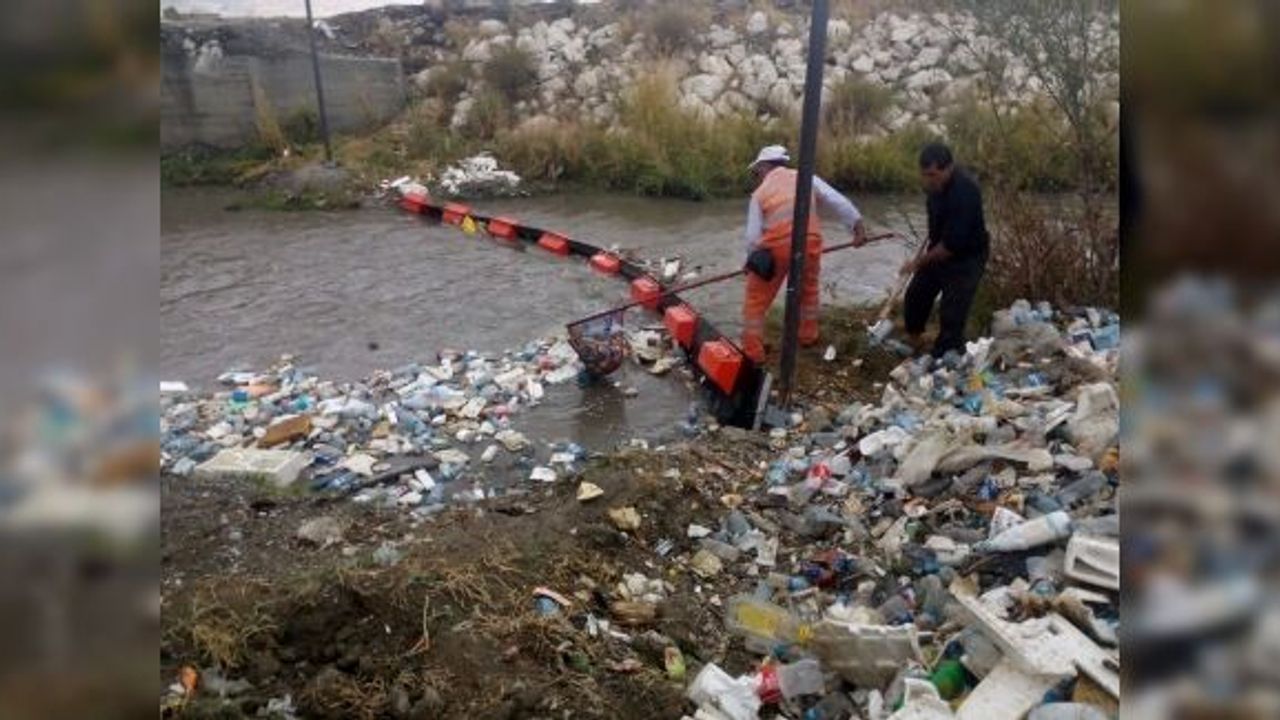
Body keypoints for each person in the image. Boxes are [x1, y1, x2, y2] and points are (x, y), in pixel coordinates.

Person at [741, 145, 867, 363]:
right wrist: (856, 225)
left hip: (775, 248)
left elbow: (752, 237)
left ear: (764, 167)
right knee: (807, 291)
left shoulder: (759, 194)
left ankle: (753, 353)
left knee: (755, 301)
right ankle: (808, 336)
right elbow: (836, 200)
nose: (757, 176)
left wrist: (750, 261)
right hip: (809, 242)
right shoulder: (806, 177)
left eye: (757, 171)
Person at [900, 142, 989, 358]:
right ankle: (915, 338)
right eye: (924, 175)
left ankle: (946, 355)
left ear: (948, 168)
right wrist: (924, 260)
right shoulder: (934, 189)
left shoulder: (965, 191)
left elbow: (952, 245)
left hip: (967, 256)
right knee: (916, 294)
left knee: (952, 310)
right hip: (940, 247)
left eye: (933, 174)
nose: (929, 180)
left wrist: (918, 263)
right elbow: (936, 229)